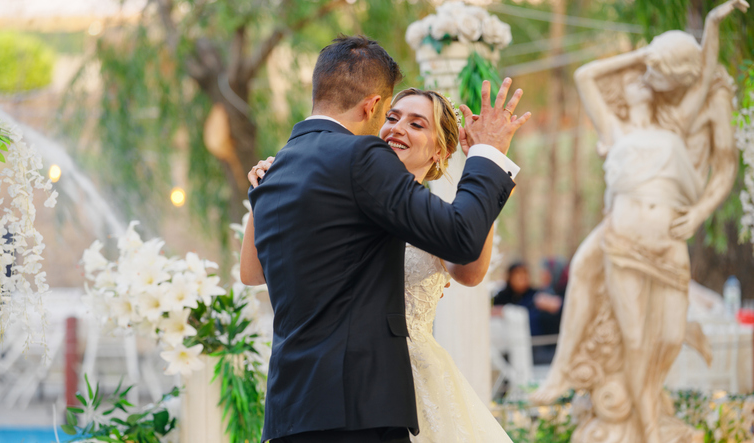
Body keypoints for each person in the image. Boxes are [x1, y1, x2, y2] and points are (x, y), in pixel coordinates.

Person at [242, 35, 530, 443]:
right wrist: (489, 157)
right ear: (373, 107)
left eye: (417, 123)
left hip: (305, 405)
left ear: (440, 151)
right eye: (392, 116)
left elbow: (467, 264)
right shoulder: (358, 162)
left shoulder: (294, 165)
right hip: (361, 402)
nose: (394, 128)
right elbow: (252, 272)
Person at [529, 2, 747, 442]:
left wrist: (710, 27)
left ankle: (649, 414)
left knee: (666, 337)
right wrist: (639, 56)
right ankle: (645, 426)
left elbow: (704, 77)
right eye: (634, 81)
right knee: (633, 338)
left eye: (648, 78)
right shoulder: (615, 131)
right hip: (624, 240)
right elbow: (587, 76)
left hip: (667, 242)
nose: (638, 83)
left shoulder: (675, 126)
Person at [492, 262, 562, 364]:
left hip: (535, 346)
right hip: (507, 346)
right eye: (518, 274)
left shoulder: (536, 295)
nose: (522, 277)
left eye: (525, 273)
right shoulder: (501, 297)